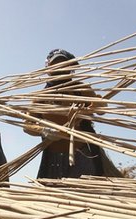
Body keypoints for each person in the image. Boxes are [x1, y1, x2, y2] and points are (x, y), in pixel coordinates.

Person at [24, 49, 120, 179]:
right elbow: (27, 126)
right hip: (54, 157)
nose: (60, 68)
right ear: (48, 67)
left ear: (71, 67)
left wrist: (97, 105)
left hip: (82, 153)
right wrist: (45, 130)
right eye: (56, 64)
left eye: (64, 64)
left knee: (86, 193)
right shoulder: (40, 97)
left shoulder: (81, 89)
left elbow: (101, 110)